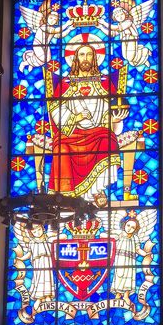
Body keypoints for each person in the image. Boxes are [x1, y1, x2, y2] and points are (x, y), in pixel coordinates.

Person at [48, 44, 128, 205]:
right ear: (75, 58)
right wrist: (76, 117)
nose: (85, 58)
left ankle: (97, 190)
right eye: (82, 55)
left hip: (98, 132)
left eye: (89, 55)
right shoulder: (65, 84)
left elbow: (112, 111)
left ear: (95, 58)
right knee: (60, 148)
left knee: (107, 140)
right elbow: (55, 110)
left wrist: (115, 120)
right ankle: (66, 197)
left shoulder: (104, 83)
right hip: (71, 133)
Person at [18, 0, 73, 73]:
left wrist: (69, 29)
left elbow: (59, 35)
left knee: (47, 59)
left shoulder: (51, 29)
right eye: (51, 18)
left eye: (55, 20)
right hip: (38, 44)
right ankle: (24, 63)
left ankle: (31, 60)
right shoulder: (44, 26)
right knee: (43, 58)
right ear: (46, 18)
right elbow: (56, 30)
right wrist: (66, 24)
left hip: (46, 46)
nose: (52, 20)